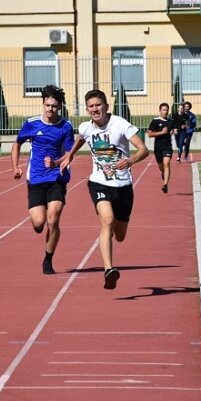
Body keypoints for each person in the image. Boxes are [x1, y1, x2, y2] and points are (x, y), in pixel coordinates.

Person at [59, 89, 149, 289]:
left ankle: (111, 256)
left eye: (98, 105)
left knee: (120, 236)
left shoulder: (120, 124)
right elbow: (82, 138)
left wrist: (131, 160)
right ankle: (109, 270)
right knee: (106, 220)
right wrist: (70, 155)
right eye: (90, 106)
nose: (94, 109)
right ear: (87, 109)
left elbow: (143, 149)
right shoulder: (85, 127)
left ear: (106, 106)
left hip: (123, 186)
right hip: (99, 182)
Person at [10, 85, 75, 275]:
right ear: (43, 104)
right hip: (36, 178)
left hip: (57, 177)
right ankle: (40, 222)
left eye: (54, 106)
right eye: (47, 105)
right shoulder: (31, 124)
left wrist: (56, 163)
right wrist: (15, 167)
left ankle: (48, 259)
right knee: (39, 224)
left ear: (60, 107)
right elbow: (16, 144)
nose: (50, 109)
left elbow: (70, 153)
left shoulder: (66, 127)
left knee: (53, 219)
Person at [147, 102, 175, 193]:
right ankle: (163, 173)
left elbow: (175, 129)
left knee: (166, 163)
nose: (165, 112)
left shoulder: (171, 121)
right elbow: (149, 134)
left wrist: (175, 131)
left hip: (167, 146)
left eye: (167, 110)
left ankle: (165, 185)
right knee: (161, 166)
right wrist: (161, 133)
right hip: (158, 148)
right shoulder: (155, 121)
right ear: (160, 111)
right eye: (163, 110)